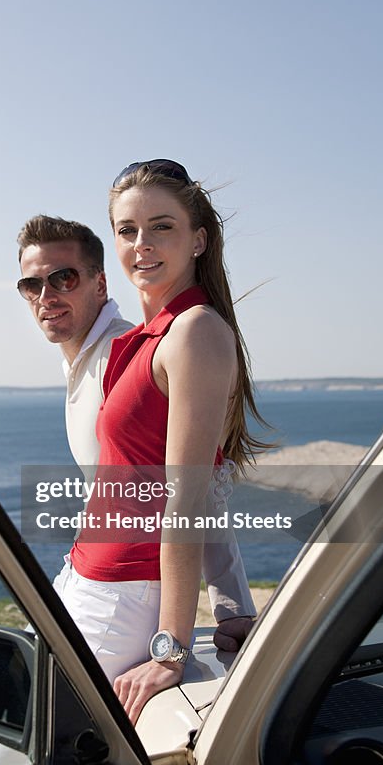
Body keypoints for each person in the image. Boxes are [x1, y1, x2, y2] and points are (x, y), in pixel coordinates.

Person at [64, 158, 269, 722]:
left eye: (162, 226)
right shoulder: (140, 339)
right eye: (127, 230)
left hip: (123, 599)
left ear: (198, 239)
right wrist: (231, 607)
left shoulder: (196, 332)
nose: (141, 244)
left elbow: (189, 498)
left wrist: (171, 647)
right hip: (85, 578)